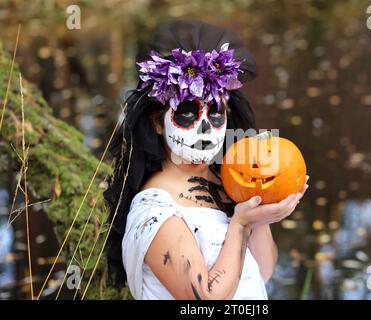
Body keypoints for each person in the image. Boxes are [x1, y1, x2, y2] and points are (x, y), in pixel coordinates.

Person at [103, 19, 309, 300]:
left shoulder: (229, 181)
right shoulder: (154, 209)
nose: (205, 126)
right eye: (187, 113)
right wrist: (240, 225)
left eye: (215, 113)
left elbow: (262, 272)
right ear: (157, 123)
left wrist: (263, 213)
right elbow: (205, 299)